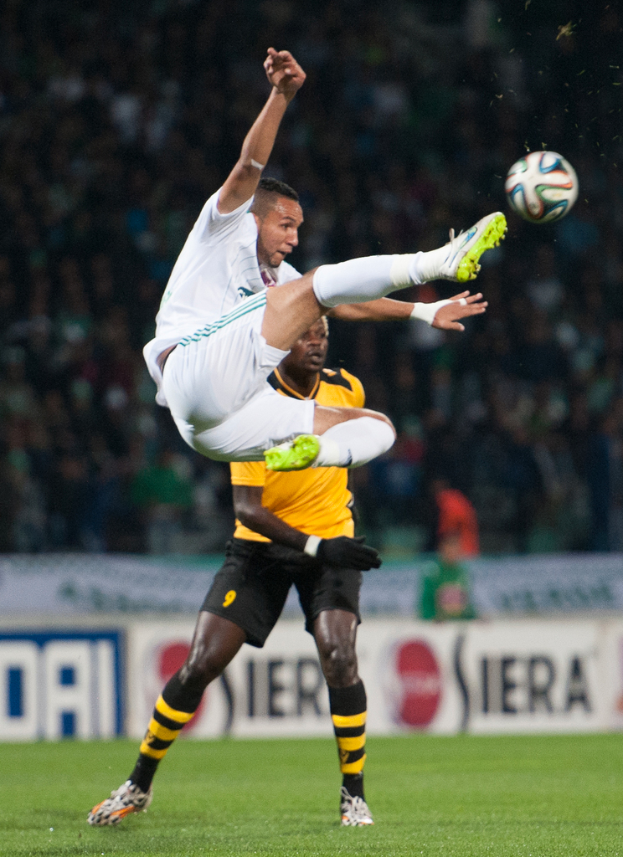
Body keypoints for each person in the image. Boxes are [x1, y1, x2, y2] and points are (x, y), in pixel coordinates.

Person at [142, 47, 505, 489]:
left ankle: (317, 453)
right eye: (286, 224)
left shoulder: (280, 281)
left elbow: (343, 305)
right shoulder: (222, 229)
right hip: (189, 367)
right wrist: (281, 96)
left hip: (213, 429)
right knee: (317, 283)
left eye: (299, 227)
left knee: (378, 427)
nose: (294, 237)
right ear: (254, 218)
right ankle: (437, 260)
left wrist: (422, 313)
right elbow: (246, 169)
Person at [89, 318, 383, 828]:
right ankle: (138, 783)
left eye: (323, 334)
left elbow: (354, 446)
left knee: (339, 653)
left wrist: (341, 513)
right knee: (200, 663)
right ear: (283, 339)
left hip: (331, 542)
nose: (317, 343)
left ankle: (353, 795)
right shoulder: (247, 404)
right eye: (307, 334)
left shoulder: (346, 386)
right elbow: (248, 509)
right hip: (263, 549)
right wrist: (319, 544)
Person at [419, 531, 477, 621]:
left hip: (459, 624)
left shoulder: (463, 573)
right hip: (438, 626)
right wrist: (432, 618)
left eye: (456, 547)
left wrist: (474, 617)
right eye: (450, 546)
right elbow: (426, 604)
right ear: (442, 548)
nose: (453, 551)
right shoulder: (433, 572)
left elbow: (467, 604)